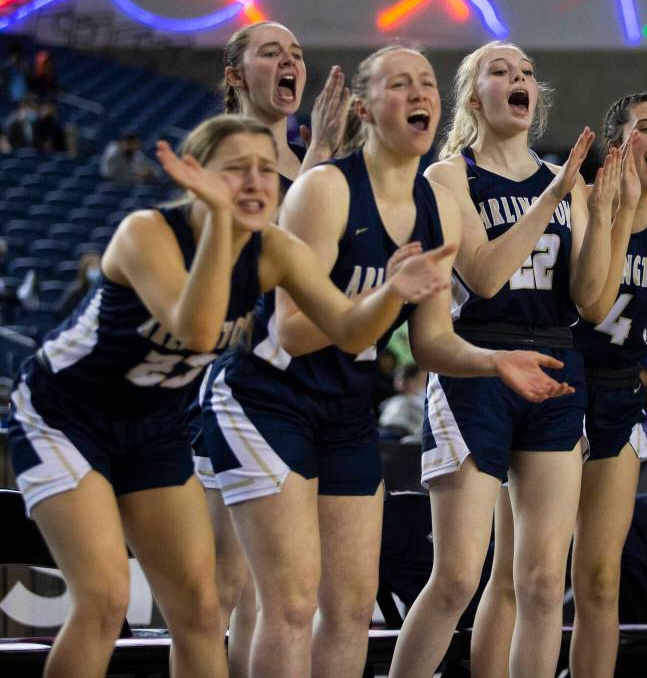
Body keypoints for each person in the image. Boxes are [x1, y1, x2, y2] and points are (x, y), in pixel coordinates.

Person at [4, 113, 452, 678]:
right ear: (195, 175)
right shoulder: (147, 232)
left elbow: (349, 330)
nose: (256, 182)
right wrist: (219, 220)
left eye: (267, 169)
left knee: (199, 608)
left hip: (155, 426)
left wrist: (392, 291)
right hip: (63, 416)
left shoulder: (276, 250)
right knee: (105, 600)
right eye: (236, 169)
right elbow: (197, 328)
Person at [201, 44, 571, 678]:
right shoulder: (324, 189)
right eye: (400, 84)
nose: (420, 94)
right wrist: (385, 295)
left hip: (344, 409)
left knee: (349, 610)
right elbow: (292, 330)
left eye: (426, 82)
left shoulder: (429, 207)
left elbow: (430, 342)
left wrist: (493, 362)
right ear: (367, 110)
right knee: (287, 607)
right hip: (266, 401)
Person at [469, 91, 647, 678]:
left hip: (619, 389)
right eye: (646, 129)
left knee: (601, 579)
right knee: (514, 572)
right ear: (617, 144)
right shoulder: (579, 197)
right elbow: (585, 297)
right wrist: (617, 212)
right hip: (555, 380)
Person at [385, 40, 619, 678]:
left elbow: (592, 302)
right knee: (458, 578)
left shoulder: (559, 179)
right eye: (501, 71)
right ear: (472, 96)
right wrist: (554, 199)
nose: (519, 79)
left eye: (527, 73)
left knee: (544, 584)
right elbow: (484, 276)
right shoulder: (447, 177)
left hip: (556, 365)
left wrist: (604, 219)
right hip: (476, 364)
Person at [194, 19, 350, 678]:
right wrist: (321, 160)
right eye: (271, 53)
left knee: (281, 596)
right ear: (235, 77)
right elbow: (261, 247)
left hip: (307, 386)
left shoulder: (311, 163)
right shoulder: (224, 151)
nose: (290, 61)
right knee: (225, 590)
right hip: (237, 382)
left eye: (297, 52)